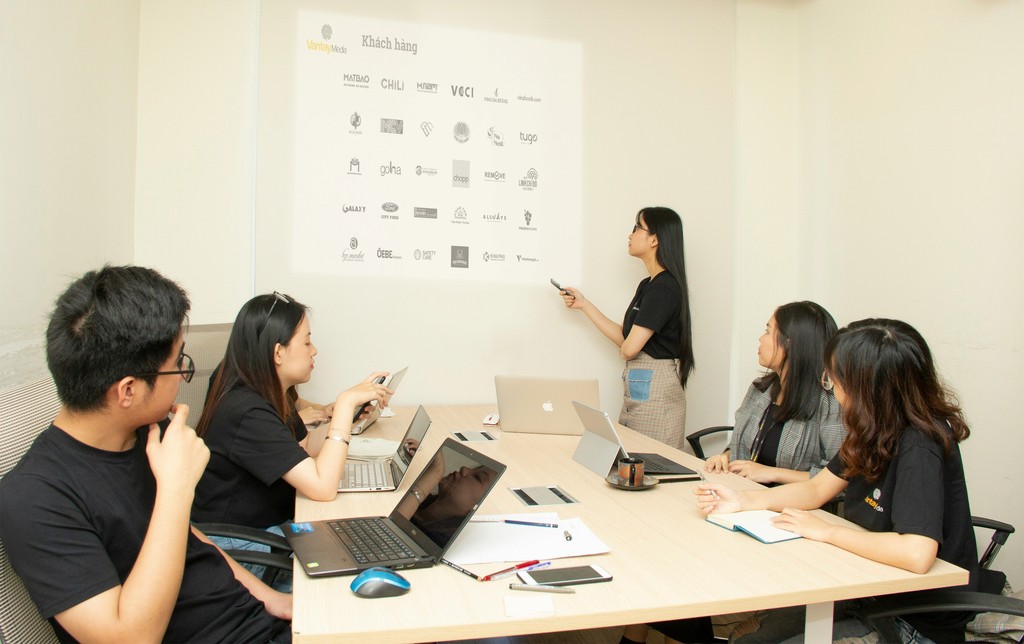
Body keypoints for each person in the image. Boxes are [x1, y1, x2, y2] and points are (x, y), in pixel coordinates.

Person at [0, 265, 291, 642]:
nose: (182, 377)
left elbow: (189, 539)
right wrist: (176, 489)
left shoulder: (149, 436)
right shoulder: (34, 498)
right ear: (128, 391)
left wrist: (271, 599)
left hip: (257, 622)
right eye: (177, 366)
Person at [692, 318, 979, 643]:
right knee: (747, 639)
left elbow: (916, 552)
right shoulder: (872, 427)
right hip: (864, 589)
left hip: (912, 619)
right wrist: (743, 500)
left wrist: (828, 532)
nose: (832, 389)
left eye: (835, 380)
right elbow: (817, 488)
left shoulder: (918, 444)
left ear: (867, 387)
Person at [192, 292, 391, 537]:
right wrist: (345, 403)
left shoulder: (272, 391)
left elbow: (304, 444)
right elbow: (323, 487)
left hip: (269, 524)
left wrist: (348, 417)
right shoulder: (247, 411)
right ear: (278, 353)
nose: (314, 350)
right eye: (307, 342)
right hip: (241, 542)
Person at [560, 206, 695, 450]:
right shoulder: (648, 285)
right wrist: (584, 305)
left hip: (656, 390)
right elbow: (625, 338)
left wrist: (626, 349)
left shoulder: (664, 288)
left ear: (654, 239)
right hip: (640, 384)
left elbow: (629, 349)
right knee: (631, 461)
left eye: (636, 228)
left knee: (650, 463)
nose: (630, 235)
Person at [704, 301, 844, 485]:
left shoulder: (830, 405)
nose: (761, 338)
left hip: (795, 508)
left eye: (768, 331)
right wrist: (727, 457)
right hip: (742, 493)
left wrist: (772, 473)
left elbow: (841, 478)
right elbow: (745, 446)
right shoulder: (760, 390)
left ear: (790, 344)